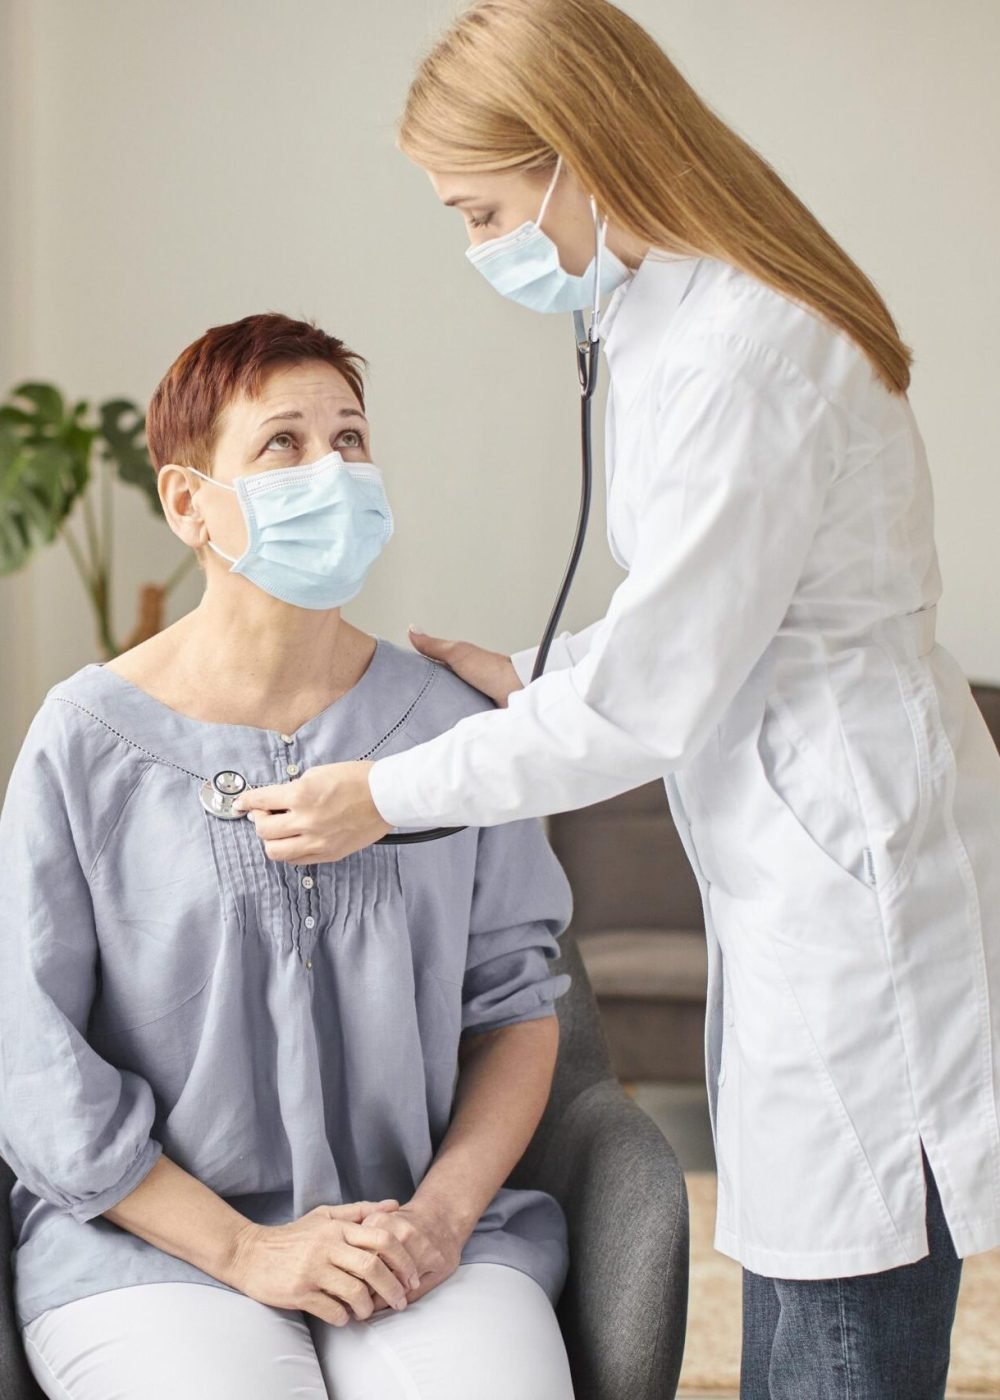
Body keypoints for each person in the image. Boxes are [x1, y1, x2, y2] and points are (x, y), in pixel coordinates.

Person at [235, 3, 1000, 1398]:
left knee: (839, 1327)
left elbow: (651, 703)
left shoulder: (743, 356)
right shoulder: (662, 313)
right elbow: (705, 620)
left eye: (482, 212)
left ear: (576, 154)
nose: (480, 249)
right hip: (805, 859)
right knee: (815, 1293)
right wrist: (537, 677)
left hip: (855, 882)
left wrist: (379, 796)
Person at [0, 313, 576, 1400]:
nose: (334, 469)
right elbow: (32, 1060)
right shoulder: (85, 740)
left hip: (418, 1235)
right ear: (188, 503)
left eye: (350, 437)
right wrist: (243, 1248)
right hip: (151, 1246)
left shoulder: (453, 729)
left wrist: (439, 1218)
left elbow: (515, 1008)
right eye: (284, 442)